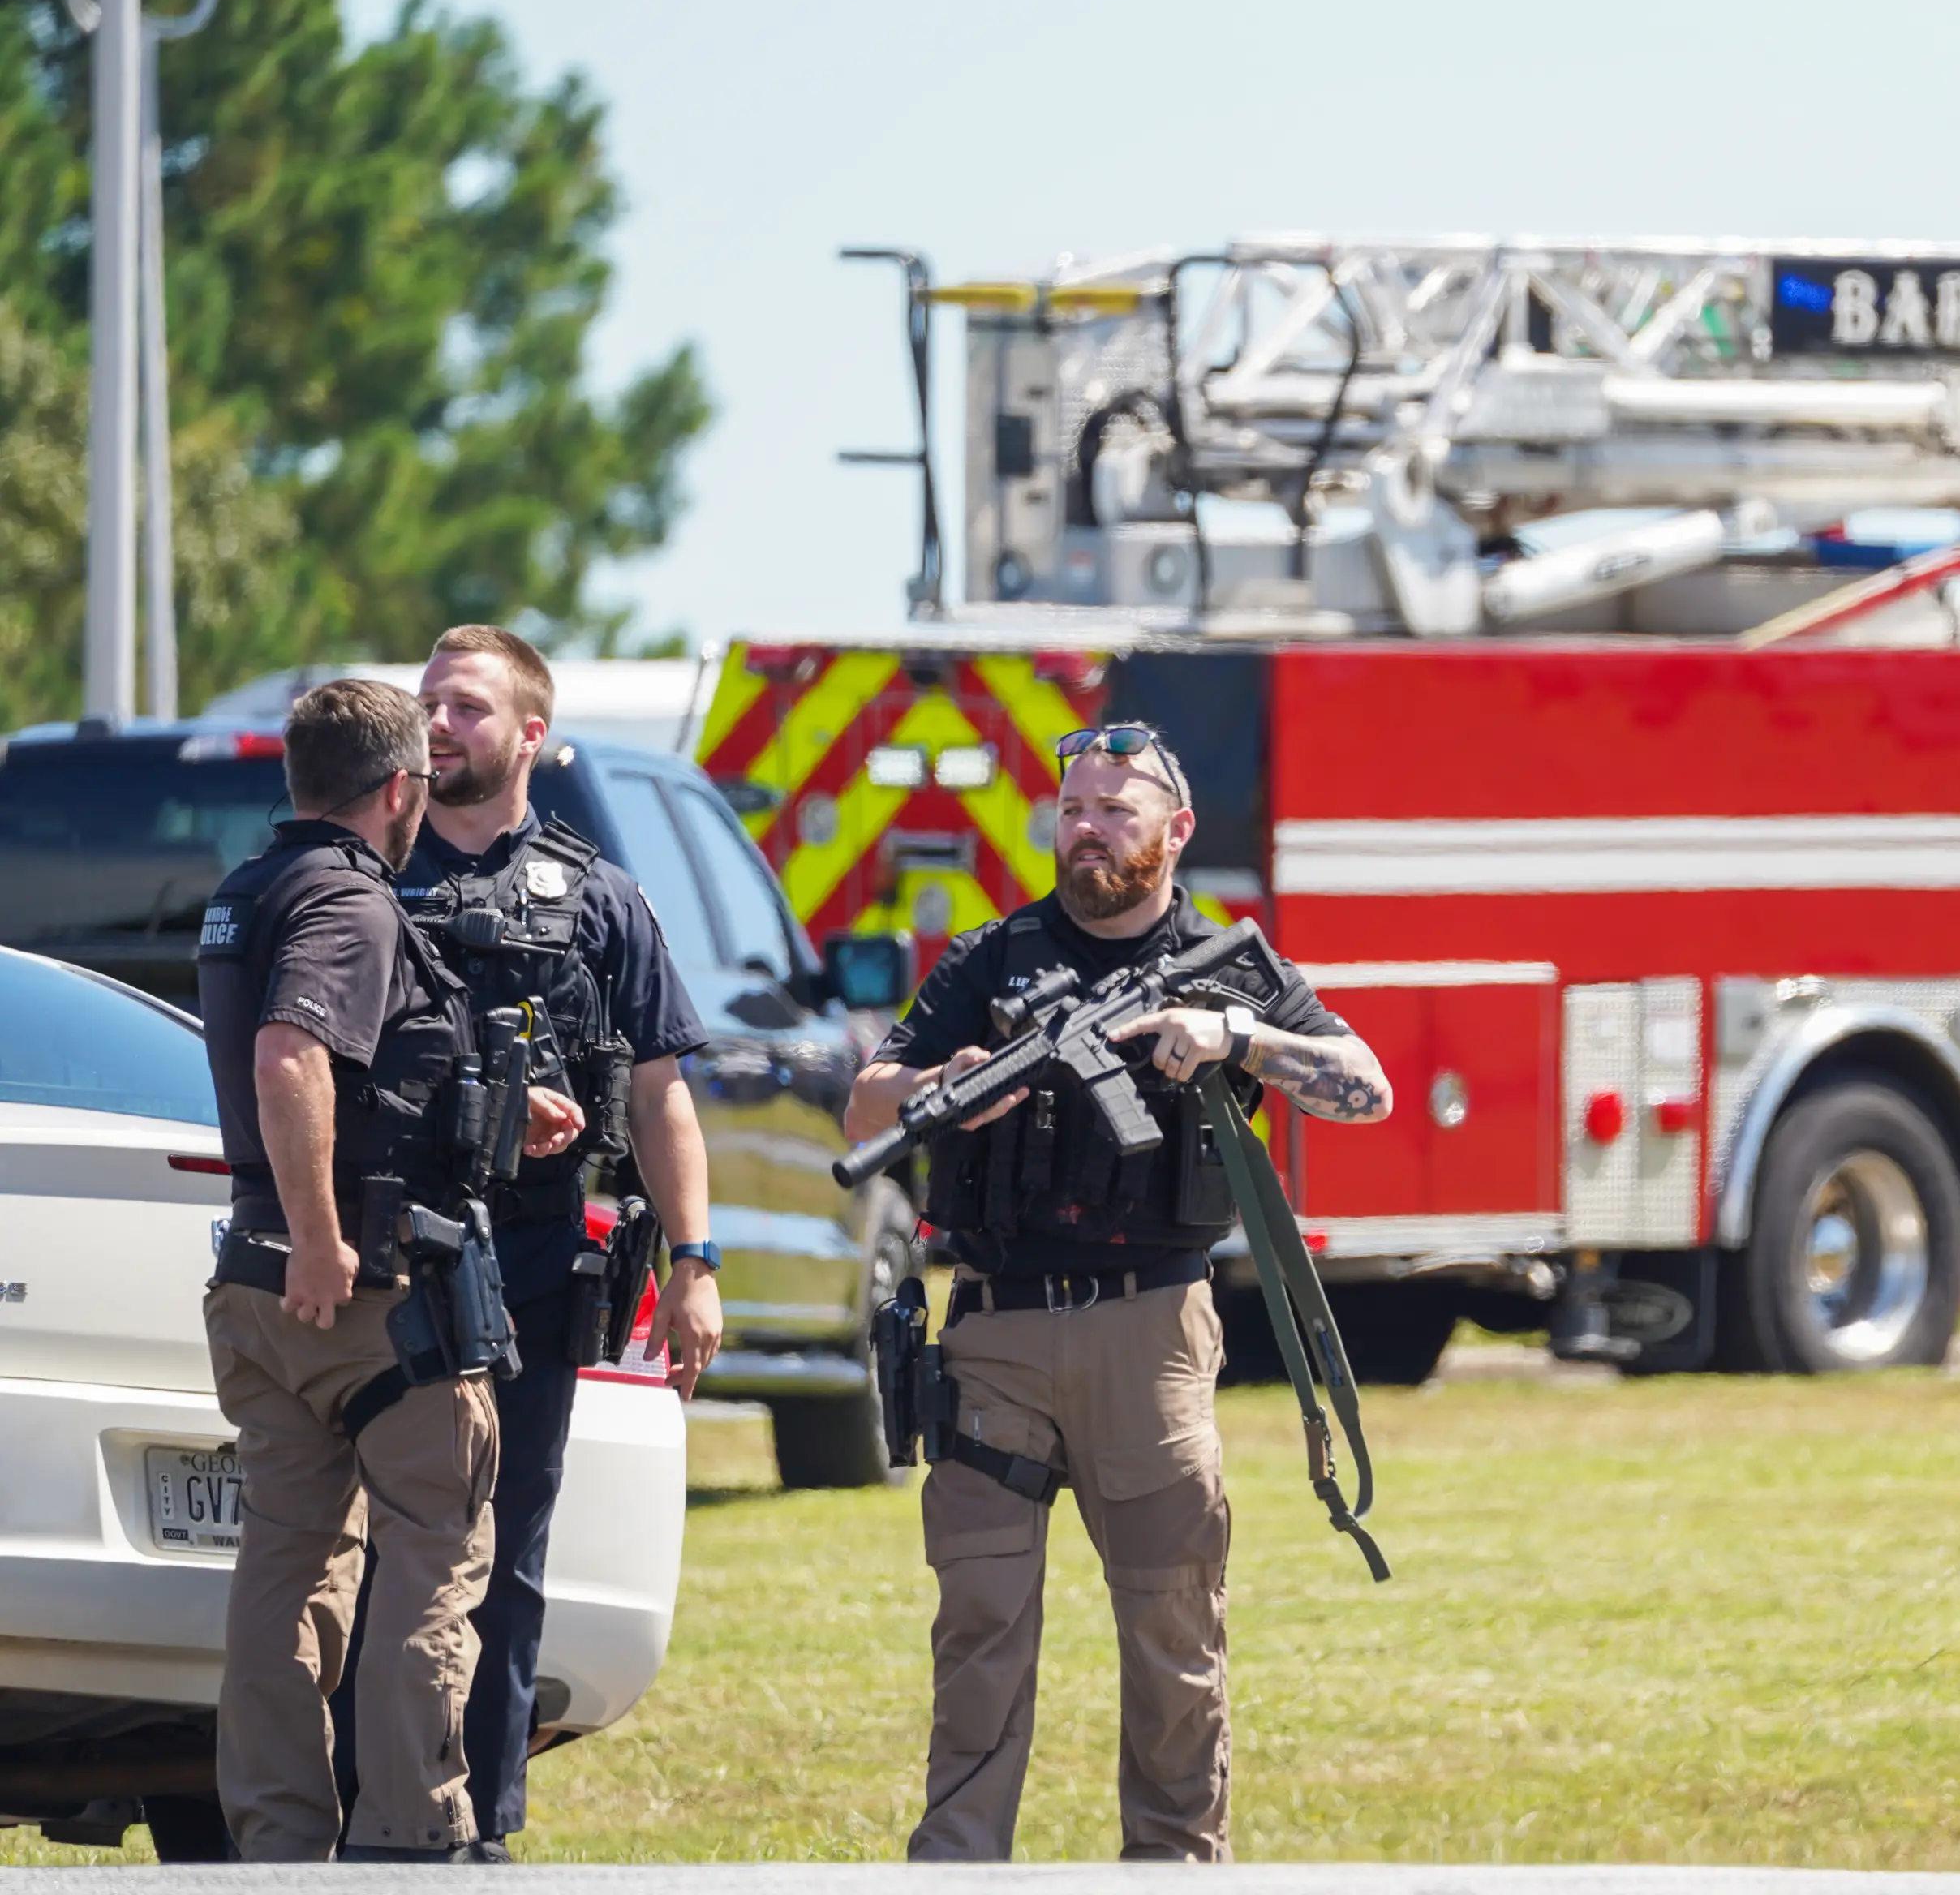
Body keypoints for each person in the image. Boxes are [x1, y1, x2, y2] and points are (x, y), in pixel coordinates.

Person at [844, 722, 1393, 1863]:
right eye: (1074, 809)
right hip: (995, 1333)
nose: (1087, 832)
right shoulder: (995, 960)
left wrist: (1237, 1037)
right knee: (980, 1625)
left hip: (1152, 1330)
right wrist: (953, 1085)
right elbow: (865, 1108)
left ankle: (1176, 1867)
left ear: (1175, 831)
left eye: (1116, 812)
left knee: (1172, 1629)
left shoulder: (1229, 965)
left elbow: (1367, 1088)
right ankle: (956, 1868)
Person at [329, 625, 720, 1861]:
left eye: (469, 709)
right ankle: (365, 1823)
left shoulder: (598, 894)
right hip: (390, 1261)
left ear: (532, 737)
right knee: (378, 1550)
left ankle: (482, 1833)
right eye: (428, 705)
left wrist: (698, 1264)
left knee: (510, 1556)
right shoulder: (363, 886)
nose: (438, 726)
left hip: (540, 1267)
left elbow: (661, 1090)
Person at [196, 680, 579, 1861]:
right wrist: (325, 1236)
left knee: (284, 1567)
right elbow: (292, 1060)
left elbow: (361, 1085)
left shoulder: (246, 889)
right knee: (433, 1556)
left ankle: (277, 1846)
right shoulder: (348, 904)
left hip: (263, 1293)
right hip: (370, 1297)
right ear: (402, 788)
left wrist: (498, 1117)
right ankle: (415, 1841)